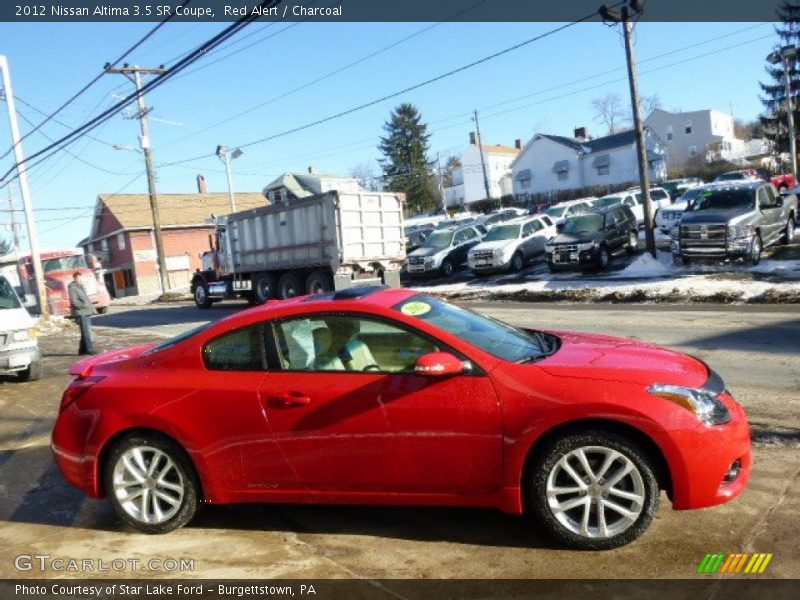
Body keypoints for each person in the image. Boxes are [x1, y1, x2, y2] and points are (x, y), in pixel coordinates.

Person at [68, 272, 97, 355]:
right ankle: (89, 349)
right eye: (78, 278)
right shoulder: (73, 288)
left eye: (80, 278)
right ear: (74, 278)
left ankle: (82, 350)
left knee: (85, 331)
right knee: (86, 331)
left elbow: (85, 299)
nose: (79, 279)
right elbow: (74, 301)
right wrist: (83, 306)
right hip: (81, 312)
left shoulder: (80, 287)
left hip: (86, 311)